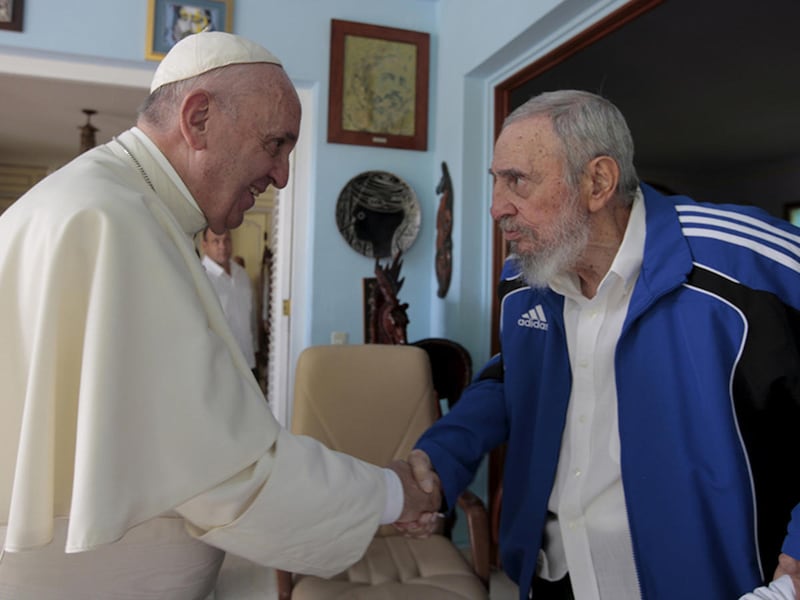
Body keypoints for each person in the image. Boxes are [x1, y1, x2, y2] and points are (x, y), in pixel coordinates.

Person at [0, 32, 439, 599]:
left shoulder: (104, 201)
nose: (281, 175)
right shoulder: (117, 222)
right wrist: (393, 493)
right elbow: (223, 474)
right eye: (275, 144)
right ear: (199, 118)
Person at [400, 89, 800, 599]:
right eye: (496, 182)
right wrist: (440, 455)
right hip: (554, 578)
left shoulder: (751, 265)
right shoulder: (525, 279)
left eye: (517, 180)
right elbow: (512, 377)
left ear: (598, 182)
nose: (498, 207)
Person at [201, 226, 259, 379]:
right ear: (204, 245)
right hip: (220, 366)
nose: (223, 246)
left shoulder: (242, 275)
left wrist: (255, 349)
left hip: (247, 360)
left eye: (227, 240)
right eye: (216, 241)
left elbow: (251, 317)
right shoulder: (201, 279)